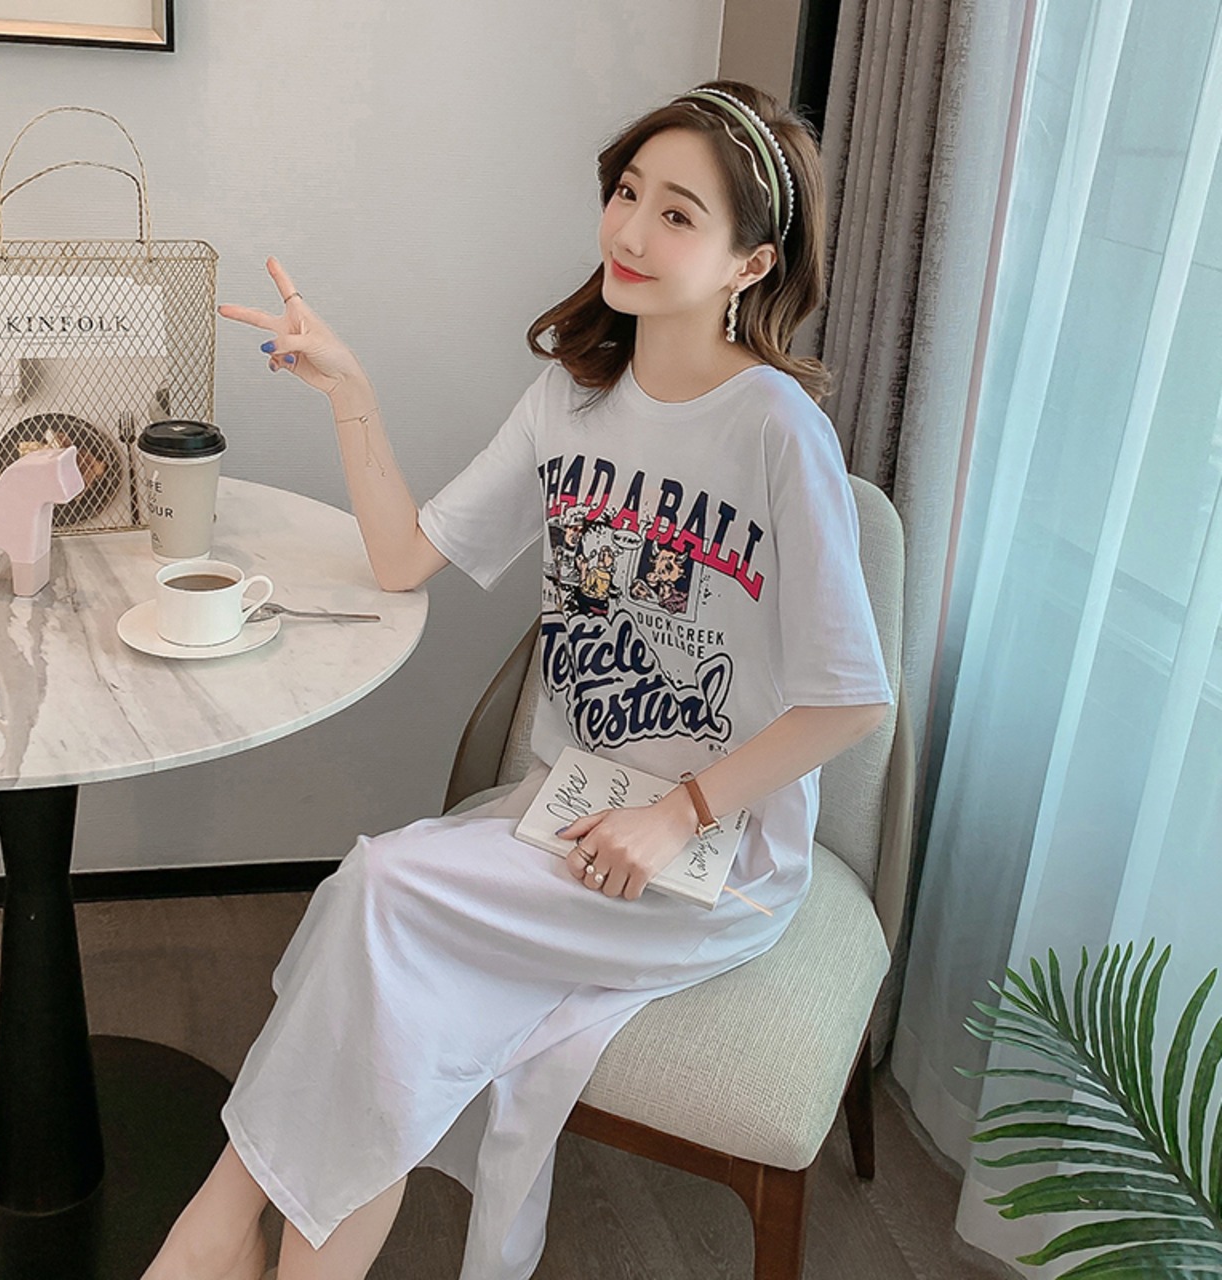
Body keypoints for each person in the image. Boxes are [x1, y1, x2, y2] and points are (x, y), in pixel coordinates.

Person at [141, 79, 894, 1280]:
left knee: (374, 892)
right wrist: (351, 393)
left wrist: (675, 812)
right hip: (562, 813)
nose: (629, 231)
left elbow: (851, 699)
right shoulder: (571, 398)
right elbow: (404, 557)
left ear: (750, 264)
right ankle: (242, 1241)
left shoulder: (775, 431)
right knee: (383, 997)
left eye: (677, 214)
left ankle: (214, 1229)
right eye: (625, 192)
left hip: (708, 855)